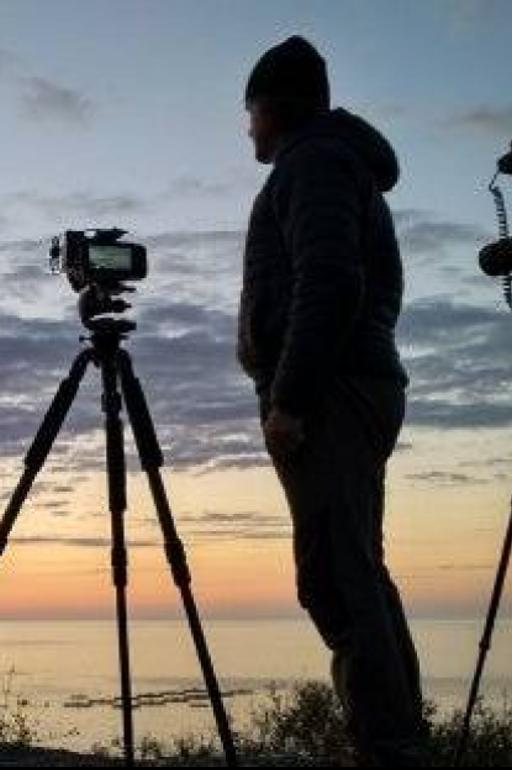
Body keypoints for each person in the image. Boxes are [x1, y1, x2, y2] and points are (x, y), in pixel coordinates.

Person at [236, 35, 427, 765]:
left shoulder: (314, 161)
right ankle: (398, 739)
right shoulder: (334, 162)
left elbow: (330, 282)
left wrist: (290, 399)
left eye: (250, 111)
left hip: (331, 395)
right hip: (352, 387)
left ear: (272, 107)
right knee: (355, 568)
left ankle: (390, 749)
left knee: (337, 579)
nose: (248, 127)